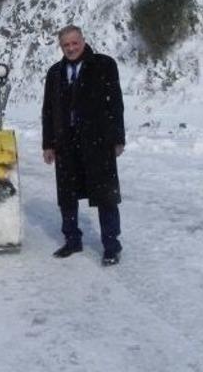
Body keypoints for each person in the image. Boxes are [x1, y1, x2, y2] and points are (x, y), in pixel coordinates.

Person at [41, 25, 126, 266]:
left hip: (98, 141)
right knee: (67, 196)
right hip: (65, 143)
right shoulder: (54, 73)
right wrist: (48, 144)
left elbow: (115, 104)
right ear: (61, 47)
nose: (71, 48)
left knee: (105, 196)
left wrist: (118, 138)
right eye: (66, 45)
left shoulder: (104, 65)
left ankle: (111, 246)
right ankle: (72, 240)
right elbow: (48, 111)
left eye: (74, 43)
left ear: (83, 40)